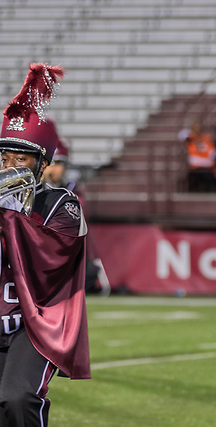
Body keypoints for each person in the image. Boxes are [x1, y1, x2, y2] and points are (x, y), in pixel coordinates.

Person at [0, 63, 90, 425]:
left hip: (35, 325)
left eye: (20, 159)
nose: (8, 167)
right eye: (3, 158)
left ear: (42, 165)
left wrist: (11, 215)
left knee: (18, 398)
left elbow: (49, 258)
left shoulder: (61, 203)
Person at [182, 120, 216, 192]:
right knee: (193, 178)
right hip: (195, 167)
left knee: (208, 178)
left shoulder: (206, 138)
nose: (197, 130)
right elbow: (181, 135)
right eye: (195, 128)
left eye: (198, 128)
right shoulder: (190, 138)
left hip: (207, 166)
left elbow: (213, 153)